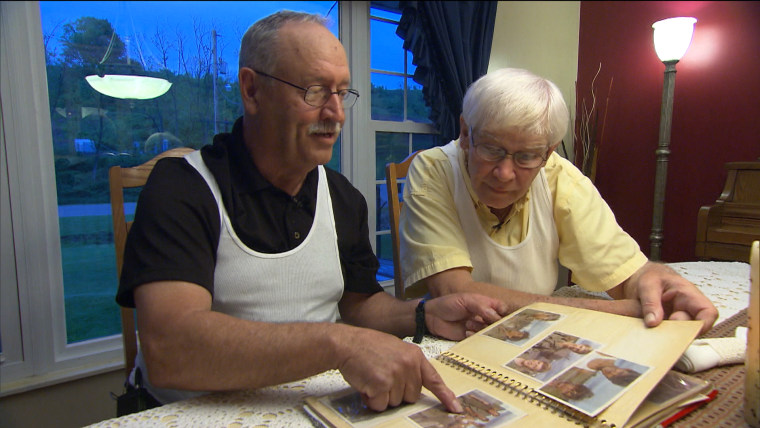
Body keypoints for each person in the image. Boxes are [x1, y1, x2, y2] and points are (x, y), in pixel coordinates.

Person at [115, 11, 509, 414]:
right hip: (190, 413)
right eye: (316, 91)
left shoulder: (340, 197)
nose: (336, 114)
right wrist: (339, 343)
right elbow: (171, 349)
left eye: (342, 93)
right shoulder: (182, 188)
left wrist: (425, 314)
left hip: (311, 406)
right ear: (252, 90)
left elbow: (359, 305)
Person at [399, 67, 718, 334]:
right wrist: (619, 310)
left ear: (548, 152)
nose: (505, 173)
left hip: (539, 334)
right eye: (492, 148)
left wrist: (654, 285)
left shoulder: (560, 176)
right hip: (459, 338)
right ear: (466, 133)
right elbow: (456, 293)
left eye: (526, 156)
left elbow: (627, 275)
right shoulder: (433, 171)